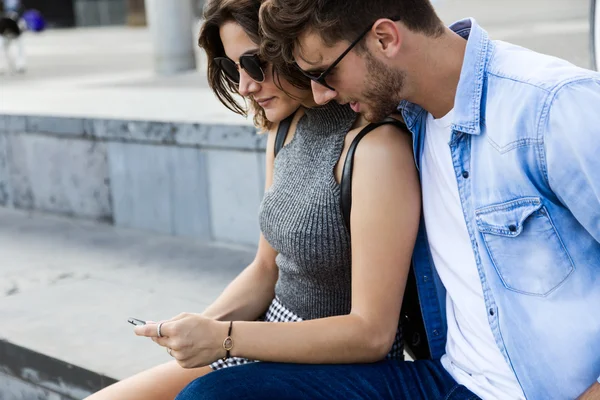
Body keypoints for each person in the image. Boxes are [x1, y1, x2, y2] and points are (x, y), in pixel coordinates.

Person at [175, 0, 600, 399]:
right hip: (447, 378)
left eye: (325, 73)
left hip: (541, 391)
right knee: (215, 395)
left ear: (385, 38)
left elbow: (371, 331)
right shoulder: (411, 120)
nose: (320, 96)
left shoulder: (552, 106)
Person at [85, 0, 422, 398]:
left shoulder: (375, 147)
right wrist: (195, 329)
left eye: (256, 63)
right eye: (232, 68)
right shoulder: (286, 127)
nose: (245, 85)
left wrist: (225, 337)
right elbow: (266, 269)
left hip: (332, 370)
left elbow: (373, 334)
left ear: (294, 48)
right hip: (260, 339)